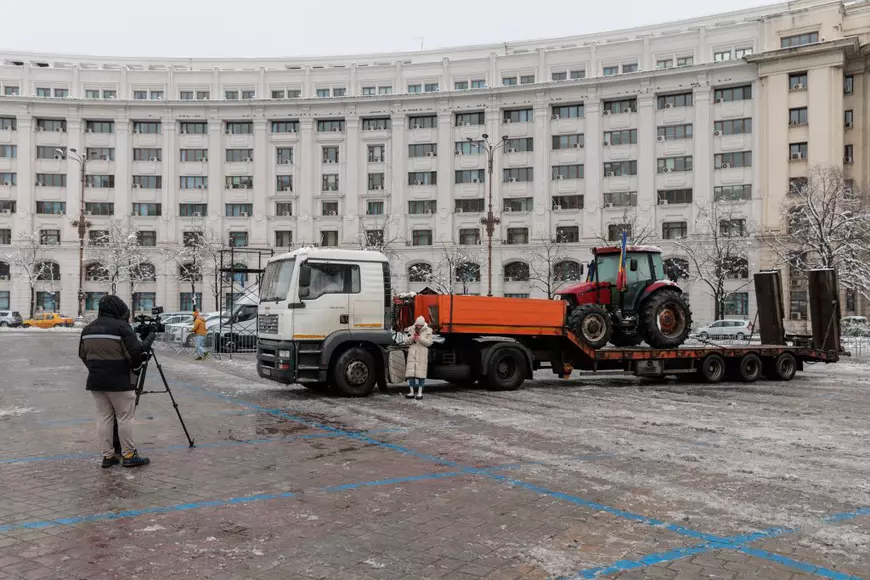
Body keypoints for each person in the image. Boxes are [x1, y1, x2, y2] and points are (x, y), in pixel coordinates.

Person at [78, 295, 155, 468]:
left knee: (104, 417)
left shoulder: (88, 329)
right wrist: (149, 340)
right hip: (120, 381)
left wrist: (96, 368)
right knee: (125, 418)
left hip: (96, 381)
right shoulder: (122, 327)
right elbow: (136, 353)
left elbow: (83, 354)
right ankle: (129, 454)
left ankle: (108, 456)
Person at [404, 316, 433, 400]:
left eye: (420, 325)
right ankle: (411, 392)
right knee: (411, 373)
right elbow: (405, 341)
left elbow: (429, 343)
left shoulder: (428, 330)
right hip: (412, 352)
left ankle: (420, 393)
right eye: (417, 325)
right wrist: (412, 338)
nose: (418, 326)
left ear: (423, 325)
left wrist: (420, 338)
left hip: (422, 353)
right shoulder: (411, 329)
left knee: (421, 374)